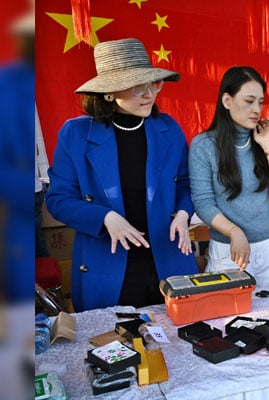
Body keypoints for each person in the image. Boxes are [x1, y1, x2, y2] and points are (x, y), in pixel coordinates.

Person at [45, 38, 197, 311]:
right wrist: (105, 217)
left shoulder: (168, 129)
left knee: (183, 343)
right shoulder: (76, 134)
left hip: (168, 257)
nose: (150, 94)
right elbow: (58, 199)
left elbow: (186, 184)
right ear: (108, 92)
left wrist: (184, 214)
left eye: (153, 84)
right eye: (139, 87)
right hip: (108, 262)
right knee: (114, 347)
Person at [188, 66, 269, 288]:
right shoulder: (204, 145)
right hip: (229, 250)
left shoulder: (264, 139)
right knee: (226, 318)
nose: (256, 109)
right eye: (249, 101)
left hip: (268, 247)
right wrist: (234, 231)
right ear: (227, 101)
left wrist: (267, 145)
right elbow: (203, 203)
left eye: (261, 102)